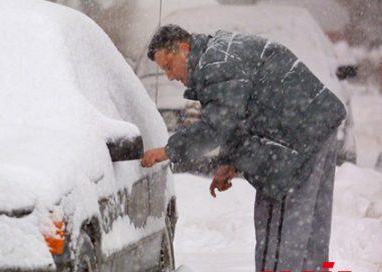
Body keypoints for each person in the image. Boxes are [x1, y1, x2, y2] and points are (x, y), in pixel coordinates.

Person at [140, 24, 346, 272]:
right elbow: (237, 114)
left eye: (168, 66)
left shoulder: (216, 63)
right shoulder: (220, 54)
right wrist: (230, 162)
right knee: (311, 227)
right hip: (317, 126)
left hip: (293, 142)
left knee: (281, 233)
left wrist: (168, 151)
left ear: (184, 49)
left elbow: (217, 124)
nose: (169, 76)